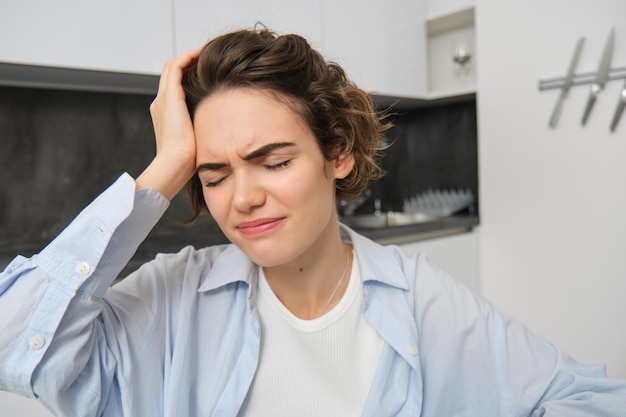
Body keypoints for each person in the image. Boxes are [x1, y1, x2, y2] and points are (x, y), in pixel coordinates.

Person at [0, 26, 625, 417]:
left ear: (337, 153)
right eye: (213, 175)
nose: (241, 197)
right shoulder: (172, 298)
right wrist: (165, 166)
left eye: (272, 161)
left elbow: (588, 399)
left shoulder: (423, 302)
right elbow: (16, 344)